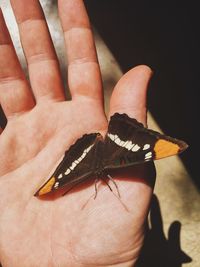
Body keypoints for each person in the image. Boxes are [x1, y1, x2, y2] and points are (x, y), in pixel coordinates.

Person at [0, 0, 155, 266]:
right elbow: (51, 185)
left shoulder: (86, 172)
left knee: (62, 180)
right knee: (63, 180)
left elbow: (54, 184)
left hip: (90, 155)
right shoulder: (112, 164)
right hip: (112, 150)